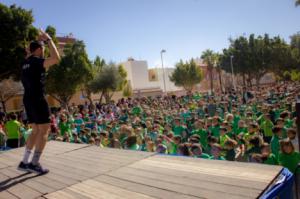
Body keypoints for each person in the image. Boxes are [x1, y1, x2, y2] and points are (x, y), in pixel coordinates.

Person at [18, 29, 60, 174]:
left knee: (35, 130)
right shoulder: (36, 61)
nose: (44, 51)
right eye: (42, 49)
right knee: (44, 130)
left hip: (28, 99)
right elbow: (56, 58)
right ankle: (34, 163)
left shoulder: (25, 63)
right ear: (38, 50)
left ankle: (24, 162)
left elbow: (30, 54)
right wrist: (48, 40)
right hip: (37, 99)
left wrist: (36, 45)